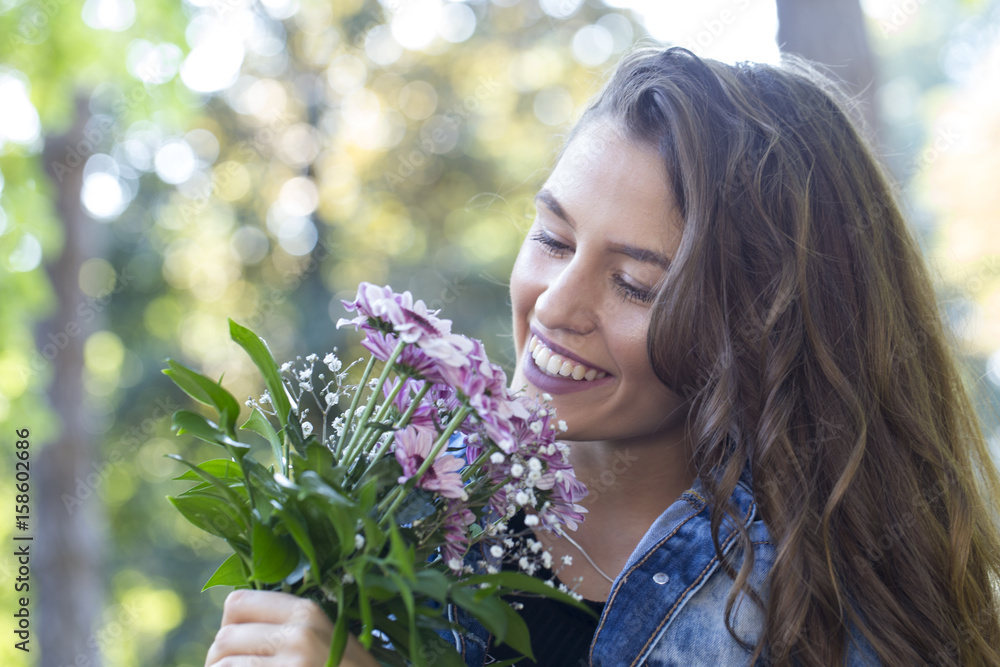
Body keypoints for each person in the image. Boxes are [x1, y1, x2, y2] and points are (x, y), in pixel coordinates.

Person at [204, 47, 1000, 666]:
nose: (554, 304)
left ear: (757, 329)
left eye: (634, 284)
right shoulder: (378, 517)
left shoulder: (830, 613)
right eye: (551, 238)